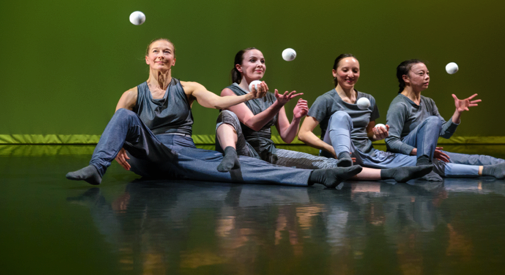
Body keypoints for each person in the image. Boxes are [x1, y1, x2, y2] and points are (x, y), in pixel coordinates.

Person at [66, 39, 363, 188]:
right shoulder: (132, 94)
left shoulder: (189, 87)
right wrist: (115, 148)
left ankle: (316, 178)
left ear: (173, 59)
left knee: (240, 167)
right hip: (147, 154)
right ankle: (96, 168)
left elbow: (218, 103)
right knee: (125, 118)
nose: (161, 55)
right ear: (147, 58)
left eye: (167, 52)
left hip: (181, 155)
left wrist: (247, 95)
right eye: (156, 51)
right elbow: (119, 124)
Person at [214, 48, 432, 182]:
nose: (260, 64)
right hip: (244, 149)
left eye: (262, 60)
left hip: (268, 151)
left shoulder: (272, 96)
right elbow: (251, 123)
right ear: (239, 67)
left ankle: (389, 174)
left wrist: (297, 117)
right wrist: (277, 106)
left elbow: (287, 137)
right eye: (253, 60)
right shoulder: (230, 92)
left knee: (326, 165)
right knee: (227, 116)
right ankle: (230, 154)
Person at [298, 54, 505, 180]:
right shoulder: (326, 99)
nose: (350, 74)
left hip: (367, 153)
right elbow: (303, 133)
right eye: (345, 70)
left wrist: (377, 133)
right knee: (339, 116)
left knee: (424, 164)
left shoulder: (368, 99)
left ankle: (490, 170)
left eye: (354, 70)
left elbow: (369, 134)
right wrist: (334, 151)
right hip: (339, 153)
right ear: (334, 73)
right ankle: (344, 160)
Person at [385, 59, 505, 179]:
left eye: (428, 73)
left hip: (429, 153)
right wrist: (421, 152)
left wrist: (457, 113)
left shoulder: (428, 102)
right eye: (421, 73)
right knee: (434, 124)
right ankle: (425, 167)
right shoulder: (399, 105)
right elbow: (391, 142)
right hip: (408, 158)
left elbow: (444, 133)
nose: (427, 77)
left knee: (483, 159)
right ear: (406, 78)